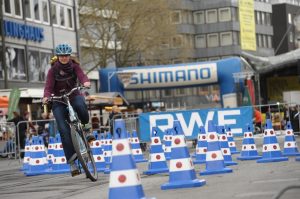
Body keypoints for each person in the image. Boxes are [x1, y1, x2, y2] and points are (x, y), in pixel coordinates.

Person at [42, 43, 94, 177]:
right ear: (58, 56)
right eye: (61, 55)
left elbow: (81, 75)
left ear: (69, 56)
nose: (64, 58)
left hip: (73, 95)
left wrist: (86, 82)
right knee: (64, 131)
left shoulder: (74, 66)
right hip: (58, 101)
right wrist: (46, 97)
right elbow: (48, 87)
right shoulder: (52, 70)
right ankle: (72, 163)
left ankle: (86, 127)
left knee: (81, 105)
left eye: (66, 55)